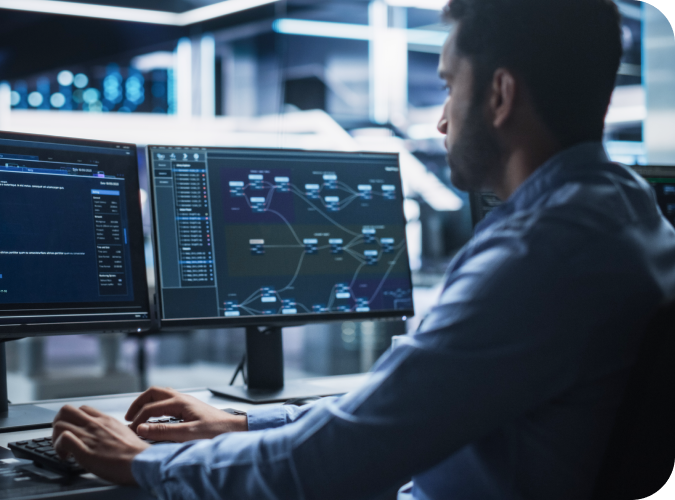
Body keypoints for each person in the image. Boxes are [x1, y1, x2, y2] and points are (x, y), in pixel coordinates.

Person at [50, 0, 675, 498]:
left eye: (449, 86)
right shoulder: (623, 212)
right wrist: (242, 422)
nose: (440, 121)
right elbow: (403, 410)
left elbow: (335, 465)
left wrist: (146, 465)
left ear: (500, 95)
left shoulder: (539, 256)